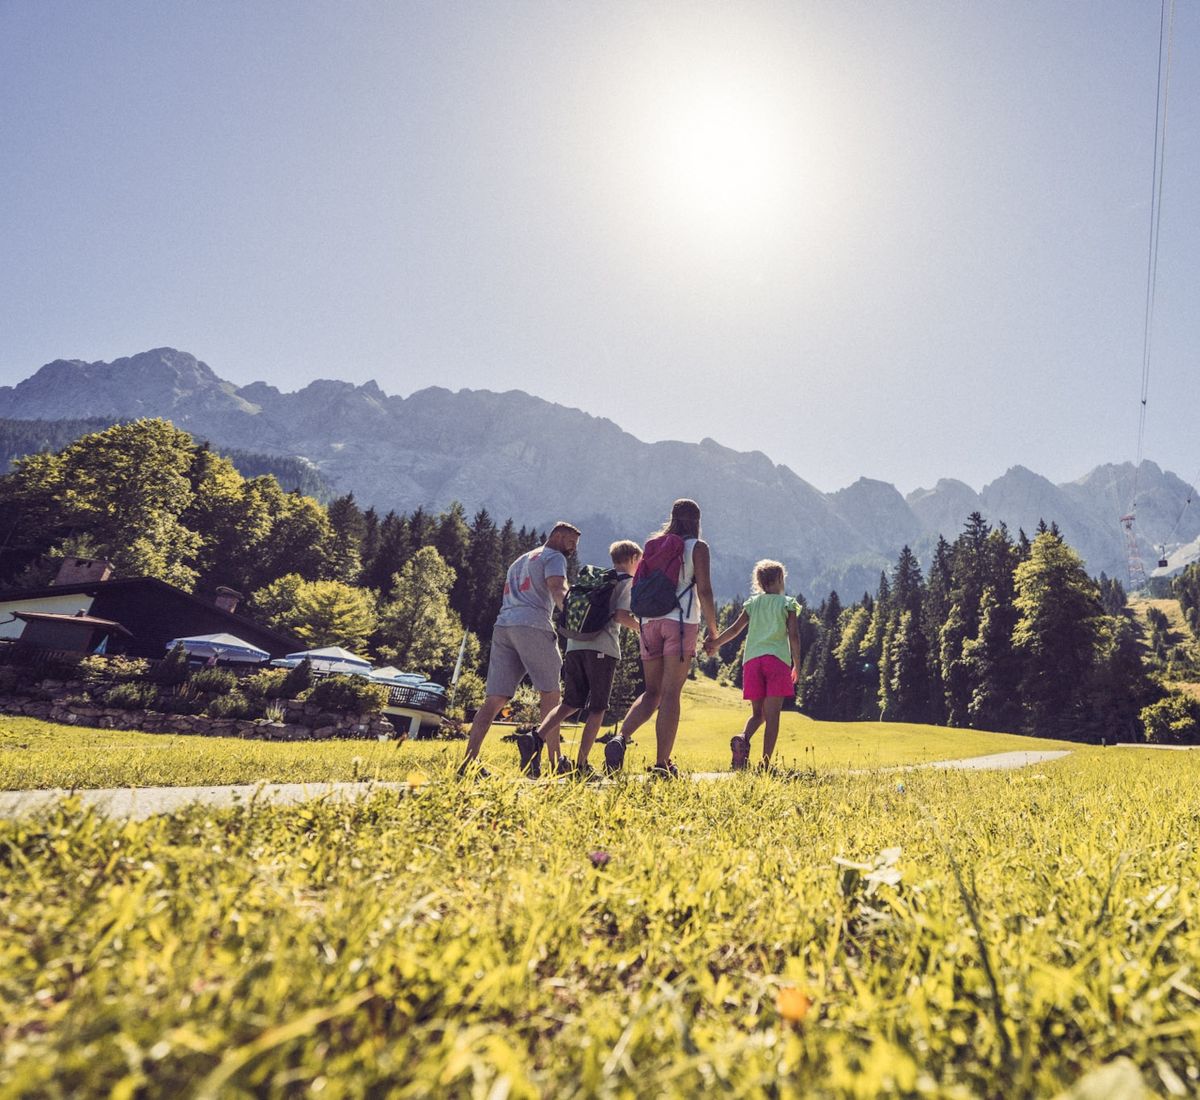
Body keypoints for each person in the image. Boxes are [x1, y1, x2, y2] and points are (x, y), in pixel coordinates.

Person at [603, 499, 719, 778]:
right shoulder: (698, 547)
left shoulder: (655, 543)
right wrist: (714, 631)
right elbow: (704, 591)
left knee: (651, 692)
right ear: (697, 521)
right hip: (679, 624)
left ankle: (620, 738)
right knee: (670, 694)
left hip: (647, 623)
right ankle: (661, 764)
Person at [458, 522, 581, 776]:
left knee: (495, 698)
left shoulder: (521, 560)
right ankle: (556, 762)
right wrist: (575, 615)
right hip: (533, 625)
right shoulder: (555, 557)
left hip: (504, 626)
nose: (573, 549)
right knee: (551, 694)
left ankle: (468, 763)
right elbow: (558, 589)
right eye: (571, 542)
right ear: (558, 536)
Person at [521, 540, 642, 778]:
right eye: (640, 561)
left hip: (574, 645)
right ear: (632, 559)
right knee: (597, 708)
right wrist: (642, 629)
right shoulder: (626, 582)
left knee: (570, 703)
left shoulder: (597, 581)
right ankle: (582, 764)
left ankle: (535, 738)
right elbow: (620, 615)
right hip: (602, 648)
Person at [708, 559, 801, 771]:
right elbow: (794, 636)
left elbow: (734, 630)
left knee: (758, 714)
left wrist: (715, 643)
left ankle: (743, 738)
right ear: (779, 580)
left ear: (759, 583)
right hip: (776, 661)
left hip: (752, 662)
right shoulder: (788, 603)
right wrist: (797, 663)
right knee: (772, 716)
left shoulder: (753, 604)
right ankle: (766, 765)